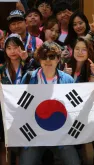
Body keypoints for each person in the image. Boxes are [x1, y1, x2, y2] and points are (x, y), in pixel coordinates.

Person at [19, 41, 81, 165]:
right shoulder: (29, 77)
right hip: (34, 133)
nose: (48, 60)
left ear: (58, 59)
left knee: (74, 162)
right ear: (39, 59)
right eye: (44, 56)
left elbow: (76, 105)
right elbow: (20, 103)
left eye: (52, 56)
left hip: (61, 134)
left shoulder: (67, 79)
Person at [0, 34, 32, 165]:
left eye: (16, 47)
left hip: (25, 110)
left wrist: (28, 60)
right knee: (5, 145)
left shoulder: (29, 67)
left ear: (22, 48)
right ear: (5, 50)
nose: (12, 51)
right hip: (5, 112)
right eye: (9, 48)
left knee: (22, 145)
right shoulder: (2, 69)